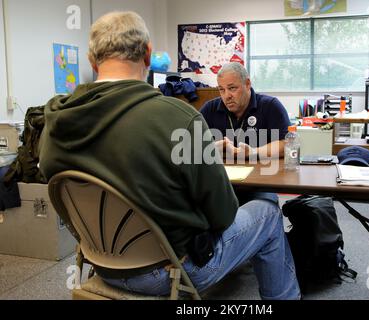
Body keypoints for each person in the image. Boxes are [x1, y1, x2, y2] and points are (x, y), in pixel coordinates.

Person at [39, 11, 300, 300]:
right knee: (268, 212)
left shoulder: (53, 122)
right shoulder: (177, 117)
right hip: (172, 269)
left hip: (99, 262)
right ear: (148, 55)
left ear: (91, 60)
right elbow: (223, 214)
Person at [200, 62, 291, 205]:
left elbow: (286, 144)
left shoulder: (270, 106)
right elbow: (192, 146)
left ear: (247, 84)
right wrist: (211, 148)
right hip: (222, 184)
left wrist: (252, 152)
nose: (227, 96)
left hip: (260, 185)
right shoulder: (209, 109)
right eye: (221, 90)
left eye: (232, 88)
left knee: (266, 208)